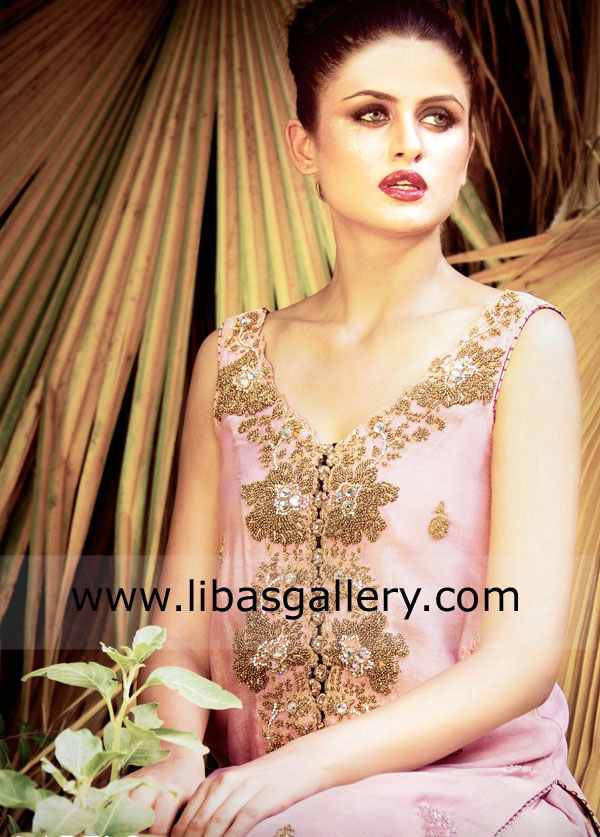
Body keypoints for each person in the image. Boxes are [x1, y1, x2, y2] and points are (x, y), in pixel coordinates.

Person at [130, 1, 600, 834]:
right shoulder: (231, 360)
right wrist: (169, 759)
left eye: (439, 117)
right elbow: (182, 627)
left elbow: (522, 658)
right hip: (256, 794)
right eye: (371, 114)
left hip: (478, 789)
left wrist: (296, 772)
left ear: (468, 146)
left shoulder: (522, 343)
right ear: (303, 145)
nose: (409, 143)